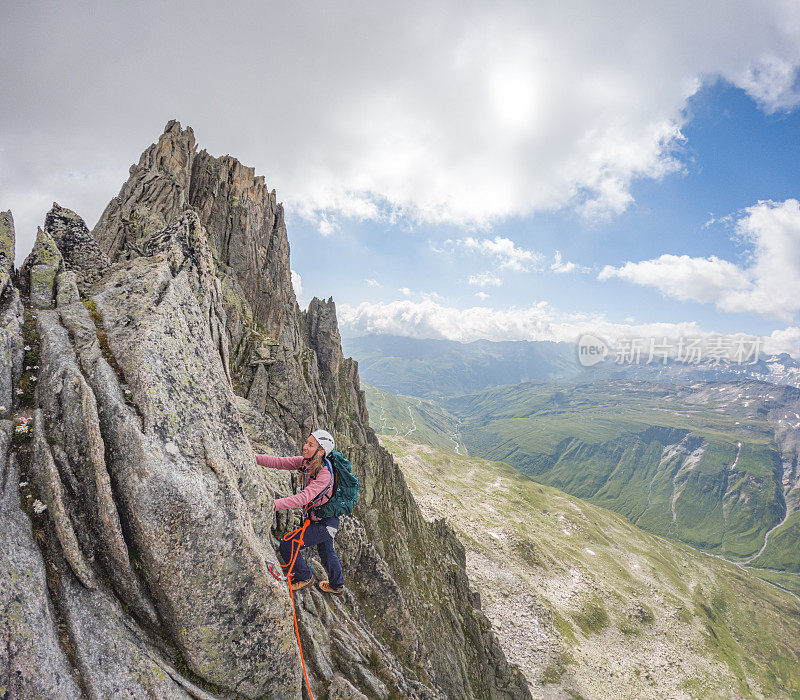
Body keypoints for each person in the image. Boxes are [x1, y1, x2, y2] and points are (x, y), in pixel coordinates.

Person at [255, 429, 345, 596]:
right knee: (326, 552)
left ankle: (304, 577)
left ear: (322, 451)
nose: (304, 447)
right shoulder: (308, 463)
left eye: (310, 445)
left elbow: (304, 498)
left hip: (324, 524)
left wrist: (274, 504)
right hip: (324, 521)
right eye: (306, 442)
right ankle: (337, 585)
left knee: (288, 544)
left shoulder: (324, 474)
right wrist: (253, 457)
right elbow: (279, 462)